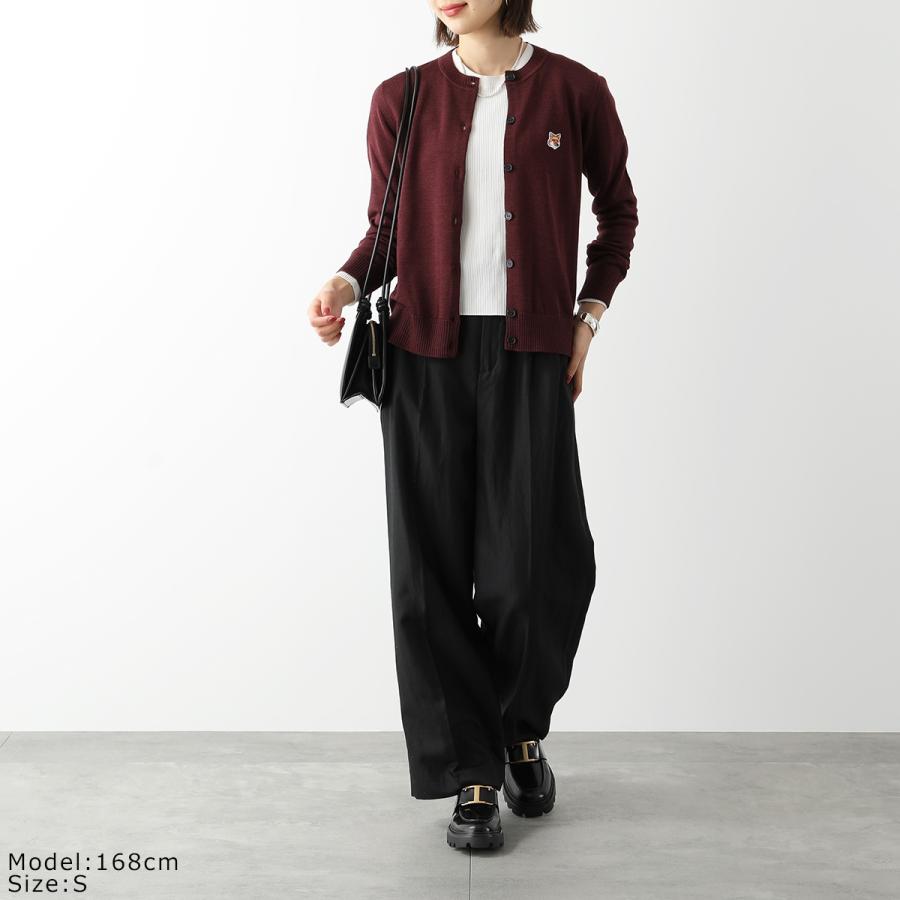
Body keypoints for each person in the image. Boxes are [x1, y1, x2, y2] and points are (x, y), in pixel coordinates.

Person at [308, 0, 638, 851]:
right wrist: (345, 284)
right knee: (429, 574)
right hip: (423, 355)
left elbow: (618, 215)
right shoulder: (402, 97)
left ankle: (520, 727)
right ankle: (475, 773)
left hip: (531, 353)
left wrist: (587, 318)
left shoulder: (576, 91)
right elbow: (385, 231)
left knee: (536, 567)